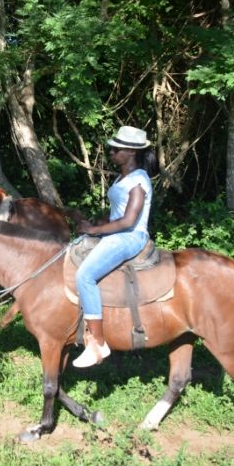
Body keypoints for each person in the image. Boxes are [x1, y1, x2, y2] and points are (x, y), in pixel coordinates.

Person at [73, 125, 159, 368]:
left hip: (130, 236)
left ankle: (98, 343)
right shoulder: (124, 177)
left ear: (131, 152)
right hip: (117, 232)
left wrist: (95, 230)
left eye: (115, 149)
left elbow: (129, 220)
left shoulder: (139, 181)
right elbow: (116, 215)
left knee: (85, 275)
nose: (111, 152)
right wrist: (94, 224)